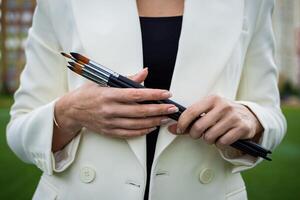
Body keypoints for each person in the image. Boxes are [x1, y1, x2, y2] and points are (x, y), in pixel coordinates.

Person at [6, 0, 287, 199]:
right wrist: (69, 113)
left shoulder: (253, 3)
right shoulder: (58, 2)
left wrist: (250, 117)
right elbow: (19, 132)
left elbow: (271, 115)